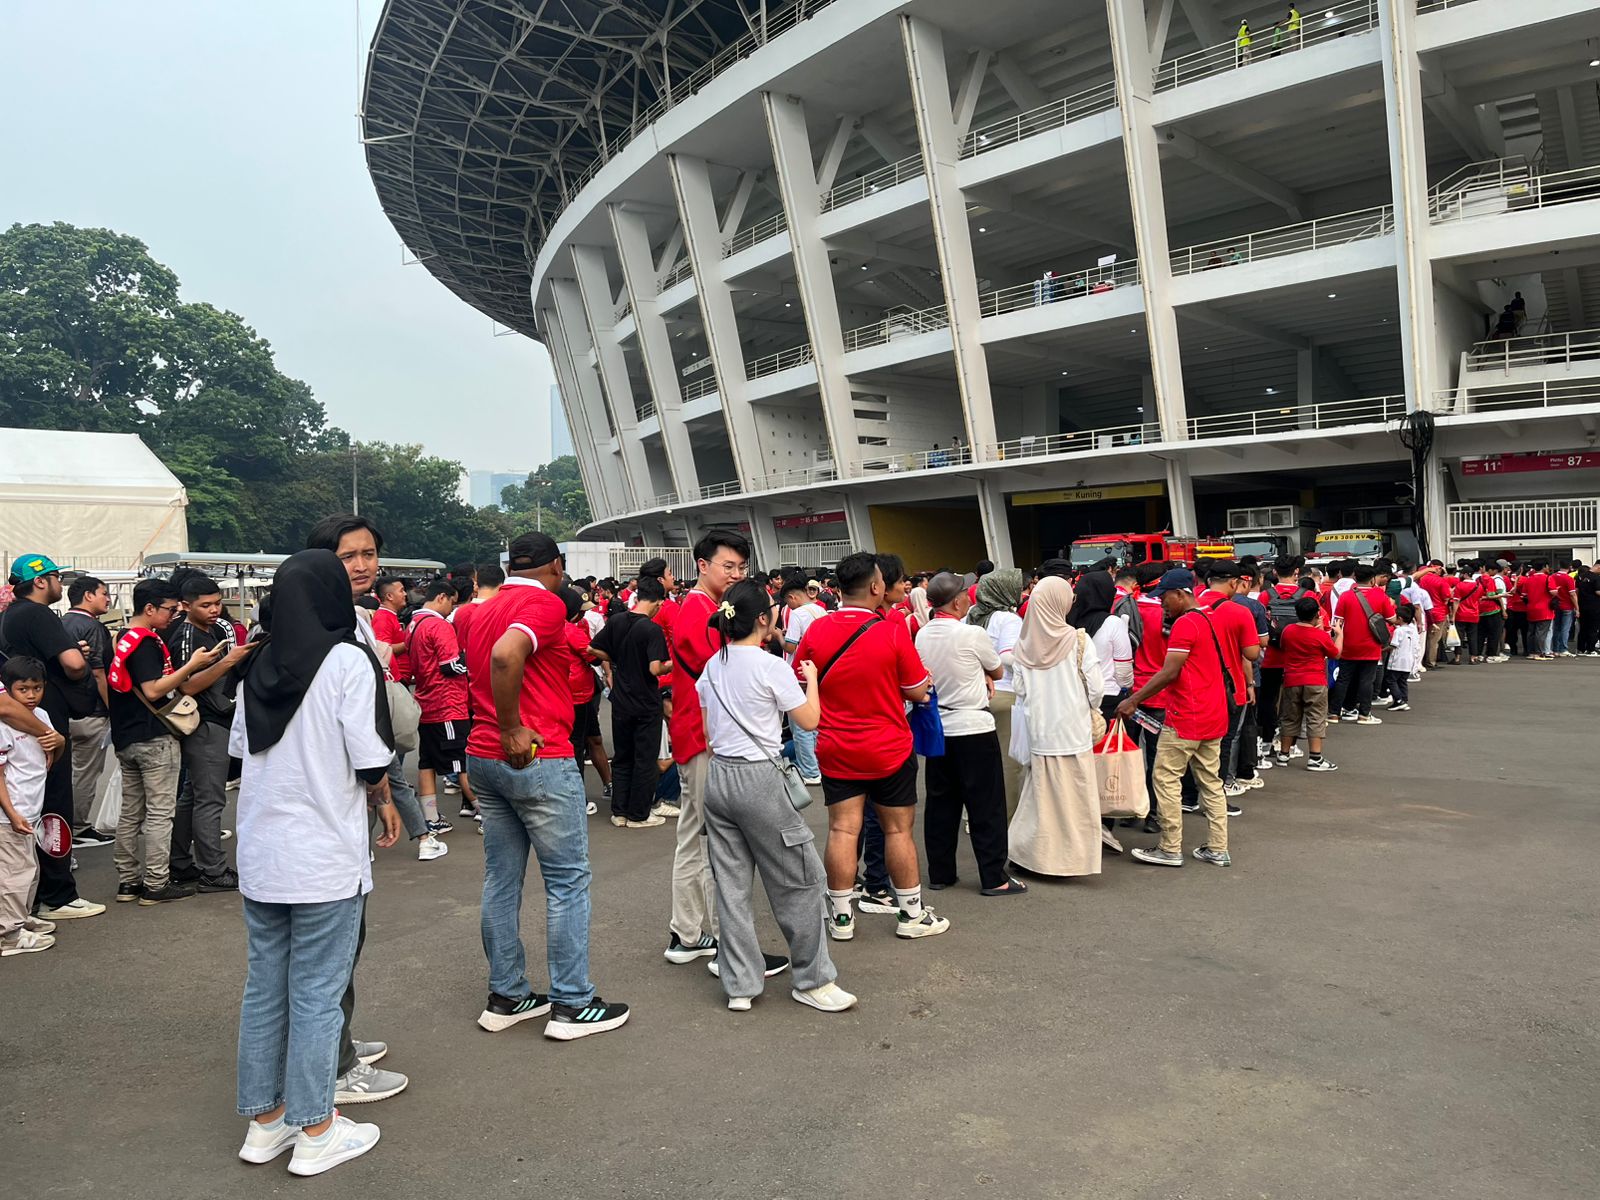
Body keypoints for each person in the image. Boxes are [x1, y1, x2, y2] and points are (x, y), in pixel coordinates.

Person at [230, 549, 399, 1177]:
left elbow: (245, 750)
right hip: (325, 851)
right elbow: (370, 757)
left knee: (265, 987)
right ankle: (318, 1129)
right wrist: (383, 799)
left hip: (264, 852)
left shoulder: (258, 664)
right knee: (317, 994)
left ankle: (264, 1122)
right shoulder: (346, 660)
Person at [467, 531, 629, 1040]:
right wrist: (514, 724)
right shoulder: (544, 604)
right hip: (537, 752)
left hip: (484, 755)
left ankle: (508, 994)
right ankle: (572, 1004)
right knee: (565, 882)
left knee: (501, 879)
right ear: (557, 566)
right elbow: (505, 656)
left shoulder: (476, 611)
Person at [697, 580, 854, 1014]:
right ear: (763, 620)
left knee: (730, 886)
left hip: (720, 779)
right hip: (760, 780)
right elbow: (808, 721)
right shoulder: (772, 666)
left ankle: (740, 984)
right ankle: (813, 979)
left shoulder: (713, 665)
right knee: (799, 880)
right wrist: (813, 681)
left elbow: (710, 735)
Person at [303, 513, 411, 1107]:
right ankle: (335, 1067)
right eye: (349, 557)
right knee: (332, 937)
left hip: (352, 794)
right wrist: (380, 786)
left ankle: (337, 1043)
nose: (364, 565)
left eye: (370, 553)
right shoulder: (323, 633)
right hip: (325, 803)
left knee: (346, 933)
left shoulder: (364, 622)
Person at [794, 552, 946, 940]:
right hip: (888, 746)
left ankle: (841, 917)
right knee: (898, 831)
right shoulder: (891, 630)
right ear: (877, 587)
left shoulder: (816, 630)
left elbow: (800, 682)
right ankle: (911, 914)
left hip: (835, 745)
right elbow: (915, 688)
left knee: (843, 829)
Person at [106, 578, 229, 905]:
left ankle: (128, 881)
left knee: (131, 813)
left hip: (126, 735)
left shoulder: (122, 637)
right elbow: (153, 690)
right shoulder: (146, 642)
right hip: (154, 737)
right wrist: (193, 665)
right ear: (149, 608)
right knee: (160, 812)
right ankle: (157, 883)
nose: (174, 615)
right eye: (170, 609)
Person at [663, 530, 752, 966]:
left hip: (697, 733)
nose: (735, 574)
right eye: (727, 566)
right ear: (702, 565)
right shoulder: (698, 611)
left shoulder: (707, 607)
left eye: (740, 567)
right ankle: (722, 942)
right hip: (703, 736)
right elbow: (724, 672)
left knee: (695, 836)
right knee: (715, 839)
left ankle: (689, 934)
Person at [0, 553, 102, 921]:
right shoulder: (37, 613)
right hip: (45, 724)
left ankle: (31, 898)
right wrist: (78, 661)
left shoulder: (10, 616)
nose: (62, 585)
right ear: (41, 581)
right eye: (58, 577)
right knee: (54, 803)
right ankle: (58, 895)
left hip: (20, 725)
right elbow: (74, 665)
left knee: (28, 805)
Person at [1116, 569, 1234, 868]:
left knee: (1166, 778)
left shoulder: (1185, 624)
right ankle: (1218, 848)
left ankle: (1170, 848)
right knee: (1211, 781)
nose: (1162, 603)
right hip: (1214, 712)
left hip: (1187, 715)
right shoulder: (1213, 617)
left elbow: (1170, 672)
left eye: (1165, 597)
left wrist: (1133, 700)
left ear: (1181, 594)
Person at [915, 573, 1022, 895]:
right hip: (974, 727)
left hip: (939, 727)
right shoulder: (972, 633)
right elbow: (999, 670)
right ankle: (994, 877)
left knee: (940, 804)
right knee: (985, 805)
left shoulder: (922, 634)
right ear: (959, 600)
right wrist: (984, 676)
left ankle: (941, 872)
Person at [1008, 574, 1109, 877]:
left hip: (1041, 732)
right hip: (1073, 730)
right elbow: (1095, 688)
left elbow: (1021, 690)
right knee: (1075, 799)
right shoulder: (1078, 639)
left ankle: (1030, 854)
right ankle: (1071, 860)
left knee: (1040, 799)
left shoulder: (1023, 646)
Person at [166, 575, 256, 891]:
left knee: (194, 796)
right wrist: (229, 660)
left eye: (217, 603)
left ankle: (180, 863)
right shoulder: (187, 635)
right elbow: (187, 684)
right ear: (185, 606)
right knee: (209, 799)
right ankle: (212, 871)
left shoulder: (214, 630)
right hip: (203, 724)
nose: (214, 609)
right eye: (205, 605)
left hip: (217, 722)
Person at [590, 575, 671, 828]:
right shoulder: (652, 629)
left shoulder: (616, 620)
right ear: (658, 602)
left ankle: (620, 811)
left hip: (621, 700)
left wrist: (616, 657)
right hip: (646, 702)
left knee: (623, 757)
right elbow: (655, 668)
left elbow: (592, 650)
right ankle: (639, 814)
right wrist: (674, 662)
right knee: (644, 758)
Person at [0, 657, 58, 956]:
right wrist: (10, 813)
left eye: (37, 688)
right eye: (23, 689)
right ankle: (8, 934)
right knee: (15, 873)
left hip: (31, 808)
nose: (31, 695)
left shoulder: (43, 717)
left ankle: (20, 919)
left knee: (29, 870)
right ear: (7, 691)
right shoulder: (3, 725)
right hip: (10, 815)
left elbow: (49, 756)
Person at [406, 579, 468, 861]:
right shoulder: (439, 625)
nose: (452, 607)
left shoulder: (413, 624)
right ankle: (485, 813)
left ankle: (431, 818)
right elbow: (451, 665)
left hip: (427, 702)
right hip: (449, 705)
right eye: (452, 601)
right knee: (461, 763)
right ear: (441, 597)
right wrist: (472, 658)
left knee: (428, 762)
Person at [60, 575, 114, 846]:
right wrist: (112, 708)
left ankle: (66, 825)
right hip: (91, 711)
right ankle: (78, 826)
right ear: (88, 595)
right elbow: (98, 672)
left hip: (64, 710)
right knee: (86, 772)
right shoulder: (90, 625)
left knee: (69, 771)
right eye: (104, 593)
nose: (108, 599)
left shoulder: (61, 623)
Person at [969, 567, 1026, 818]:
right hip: (1005, 695)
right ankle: (1006, 817)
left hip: (976, 695)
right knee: (1007, 764)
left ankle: (974, 815)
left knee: (978, 763)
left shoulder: (972, 614)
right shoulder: (1008, 619)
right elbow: (1007, 657)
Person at [1274, 596, 1342, 770]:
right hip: (1315, 680)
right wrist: (1339, 635)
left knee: (1289, 717)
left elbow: (1283, 646)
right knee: (1316, 718)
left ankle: (1283, 754)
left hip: (1292, 679)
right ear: (1317, 614)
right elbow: (1335, 653)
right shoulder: (1320, 635)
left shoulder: (1288, 631)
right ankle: (1315, 757)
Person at [561, 588, 612, 813]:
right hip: (577, 696)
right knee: (577, 747)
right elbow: (592, 655)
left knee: (593, 739)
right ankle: (576, 798)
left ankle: (607, 784)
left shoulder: (556, 627)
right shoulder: (570, 630)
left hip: (577, 693)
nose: (582, 615)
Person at [1329, 564, 1395, 723]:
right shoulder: (1380, 596)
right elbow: (1392, 619)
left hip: (1348, 644)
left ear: (1355, 578)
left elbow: (1337, 622)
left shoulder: (1346, 596)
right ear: (1372, 579)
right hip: (1371, 645)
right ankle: (1364, 714)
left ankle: (1334, 713)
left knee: (1343, 679)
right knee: (1367, 680)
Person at [778, 576, 825, 785]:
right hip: (817, 672)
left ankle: (810, 771)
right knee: (815, 723)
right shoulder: (820, 610)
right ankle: (817, 764)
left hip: (798, 673)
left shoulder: (797, 614)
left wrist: (779, 635)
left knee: (801, 727)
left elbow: (790, 646)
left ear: (792, 597)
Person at [371, 577, 412, 684]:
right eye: (401, 591)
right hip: (396, 679)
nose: (405, 594)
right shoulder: (383, 618)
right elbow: (383, 650)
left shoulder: (390, 615)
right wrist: (409, 642)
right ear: (389, 596)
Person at [1386, 601, 1422, 712]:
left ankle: (1398, 700)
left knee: (1391, 680)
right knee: (1402, 681)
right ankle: (1404, 699)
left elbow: (1393, 645)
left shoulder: (1399, 631)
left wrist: (1382, 649)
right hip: (1409, 659)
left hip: (1398, 660)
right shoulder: (1413, 630)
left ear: (1400, 619)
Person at [1516, 561, 1555, 660]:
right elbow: (1552, 591)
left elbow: (1524, 594)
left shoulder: (1528, 579)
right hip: (1545, 609)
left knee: (1531, 632)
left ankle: (1531, 652)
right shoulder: (1548, 578)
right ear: (1544, 566)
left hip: (1531, 608)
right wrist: (1558, 591)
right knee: (1541, 632)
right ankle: (1539, 652)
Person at [1551, 562, 1578, 657]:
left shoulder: (1552, 576)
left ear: (1559, 566)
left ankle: (1555, 649)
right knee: (1565, 629)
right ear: (1569, 567)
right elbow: (1572, 594)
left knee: (1556, 628)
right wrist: (1577, 608)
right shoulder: (1569, 578)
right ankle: (1563, 649)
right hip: (1567, 606)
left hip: (1555, 606)